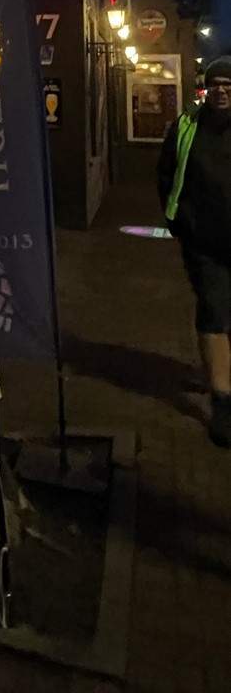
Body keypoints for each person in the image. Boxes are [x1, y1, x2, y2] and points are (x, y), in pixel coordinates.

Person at [158, 56, 231, 448]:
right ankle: (223, 402)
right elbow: (166, 171)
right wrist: (177, 219)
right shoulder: (188, 125)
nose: (222, 90)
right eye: (216, 84)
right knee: (214, 312)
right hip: (203, 242)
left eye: (229, 85)